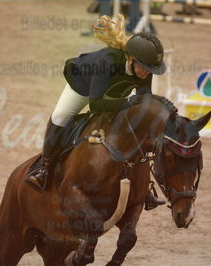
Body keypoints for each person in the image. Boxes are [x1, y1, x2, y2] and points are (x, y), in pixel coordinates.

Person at [27, 14, 166, 209]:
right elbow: (96, 105)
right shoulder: (107, 63)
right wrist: (128, 102)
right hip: (84, 88)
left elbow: (144, 97)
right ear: (131, 59)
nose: (148, 73)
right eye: (146, 68)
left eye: (151, 69)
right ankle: (44, 168)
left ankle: (145, 188)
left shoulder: (144, 69)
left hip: (113, 95)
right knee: (60, 117)